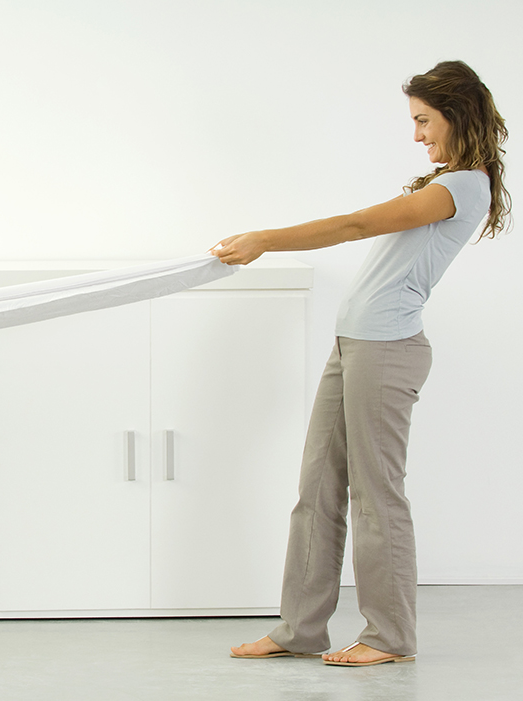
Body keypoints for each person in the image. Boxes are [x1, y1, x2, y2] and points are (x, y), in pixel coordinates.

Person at [213, 61, 510, 667]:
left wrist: (264, 238)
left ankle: (390, 636)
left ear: (458, 113)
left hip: (388, 350)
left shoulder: (462, 187)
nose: (418, 134)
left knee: (377, 495)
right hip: (353, 343)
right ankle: (300, 628)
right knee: (316, 488)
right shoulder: (442, 180)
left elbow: (355, 224)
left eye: (424, 121)